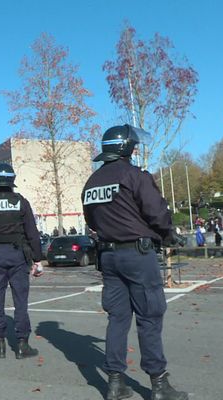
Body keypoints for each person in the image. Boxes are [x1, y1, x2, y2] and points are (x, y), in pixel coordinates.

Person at [82, 124, 187, 400]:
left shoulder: (92, 183)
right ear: (126, 148)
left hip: (108, 257)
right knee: (149, 317)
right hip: (137, 256)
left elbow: (92, 221)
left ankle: (115, 383)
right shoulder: (134, 176)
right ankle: (159, 385)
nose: (137, 149)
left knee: (117, 318)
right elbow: (157, 212)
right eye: (134, 145)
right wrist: (168, 233)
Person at [0, 162, 43, 360]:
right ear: (12, 180)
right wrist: (38, 260)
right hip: (18, 256)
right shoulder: (21, 202)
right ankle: (22, 344)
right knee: (20, 301)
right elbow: (32, 233)